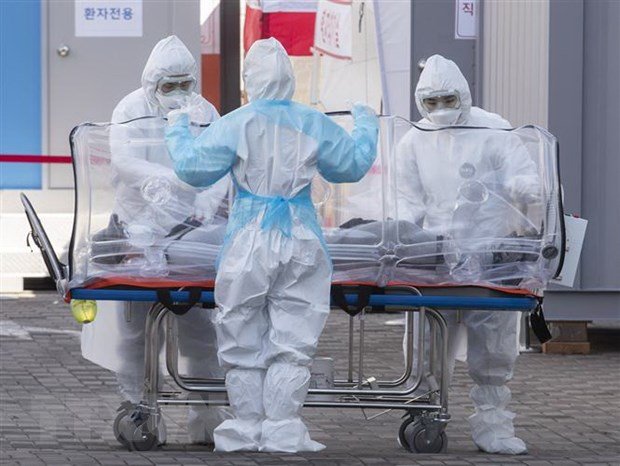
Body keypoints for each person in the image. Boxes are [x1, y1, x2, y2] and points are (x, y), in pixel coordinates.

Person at [165, 37, 379, 452]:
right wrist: (366, 126)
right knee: (294, 339)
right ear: (289, 78)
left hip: (248, 239)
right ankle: (282, 428)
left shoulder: (237, 122)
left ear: (250, 80)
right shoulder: (312, 121)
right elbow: (351, 166)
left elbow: (193, 170)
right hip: (301, 238)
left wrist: (176, 129)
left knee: (241, 335)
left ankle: (245, 427)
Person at [80, 35, 230, 445]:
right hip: (138, 235)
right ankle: (140, 410)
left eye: (185, 83)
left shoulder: (205, 111)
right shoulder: (130, 109)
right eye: (169, 85)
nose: (178, 92)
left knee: (201, 330)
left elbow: (220, 161)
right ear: (152, 84)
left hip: (192, 236)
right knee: (137, 333)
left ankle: (207, 416)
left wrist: (209, 197)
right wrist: (171, 179)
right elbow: (125, 161)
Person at [396, 54, 540, 455]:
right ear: (420, 101)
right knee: (426, 343)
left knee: (493, 343)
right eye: (432, 102)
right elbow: (407, 200)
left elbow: (523, 174)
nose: (441, 109)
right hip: (435, 256)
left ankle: (493, 425)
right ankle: (425, 416)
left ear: (463, 94)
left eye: (448, 100)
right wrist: (400, 237)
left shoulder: (492, 130)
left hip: (489, 254)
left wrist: (527, 186)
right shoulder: (414, 140)